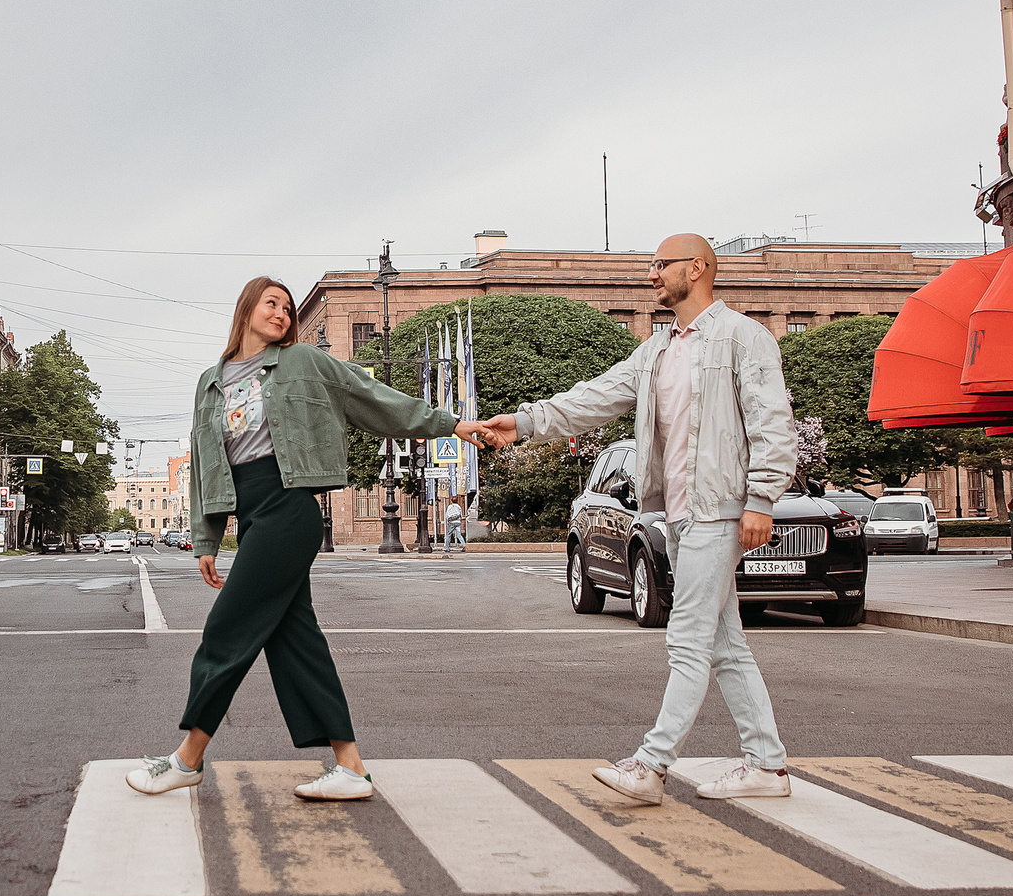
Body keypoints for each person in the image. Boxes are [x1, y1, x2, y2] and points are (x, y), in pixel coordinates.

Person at [130, 278, 491, 802]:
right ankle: (350, 766)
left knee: (229, 628)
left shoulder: (302, 361)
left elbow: (370, 397)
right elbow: (205, 461)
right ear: (246, 308)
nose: (281, 312)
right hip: (250, 510)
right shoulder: (211, 381)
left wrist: (450, 424)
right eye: (270, 303)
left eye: (287, 307)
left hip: (288, 503)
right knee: (294, 640)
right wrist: (205, 538)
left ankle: (187, 758)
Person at [479, 234, 798, 802]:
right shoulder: (655, 352)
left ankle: (652, 765)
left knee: (689, 638)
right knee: (725, 645)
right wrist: (525, 423)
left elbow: (772, 421)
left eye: (660, 265)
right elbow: (594, 398)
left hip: (717, 510)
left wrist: (761, 500)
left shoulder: (743, 337)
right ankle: (767, 767)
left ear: (696, 268)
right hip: (677, 515)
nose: (652, 275)